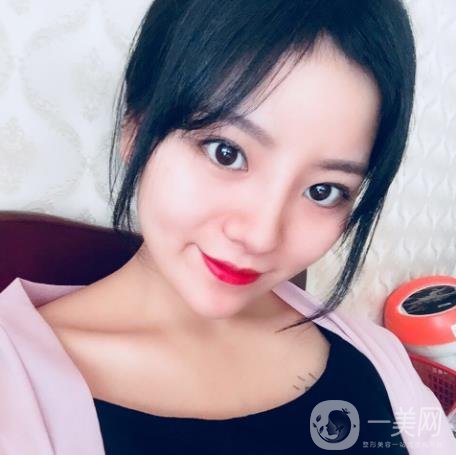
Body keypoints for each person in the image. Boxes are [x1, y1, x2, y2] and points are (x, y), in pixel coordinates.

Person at [0, 0, 455, 454]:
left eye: (323, 191)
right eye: (226, 153)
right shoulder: (13, 389)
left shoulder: (379, 358)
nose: (260, 236)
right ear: (137, 130)